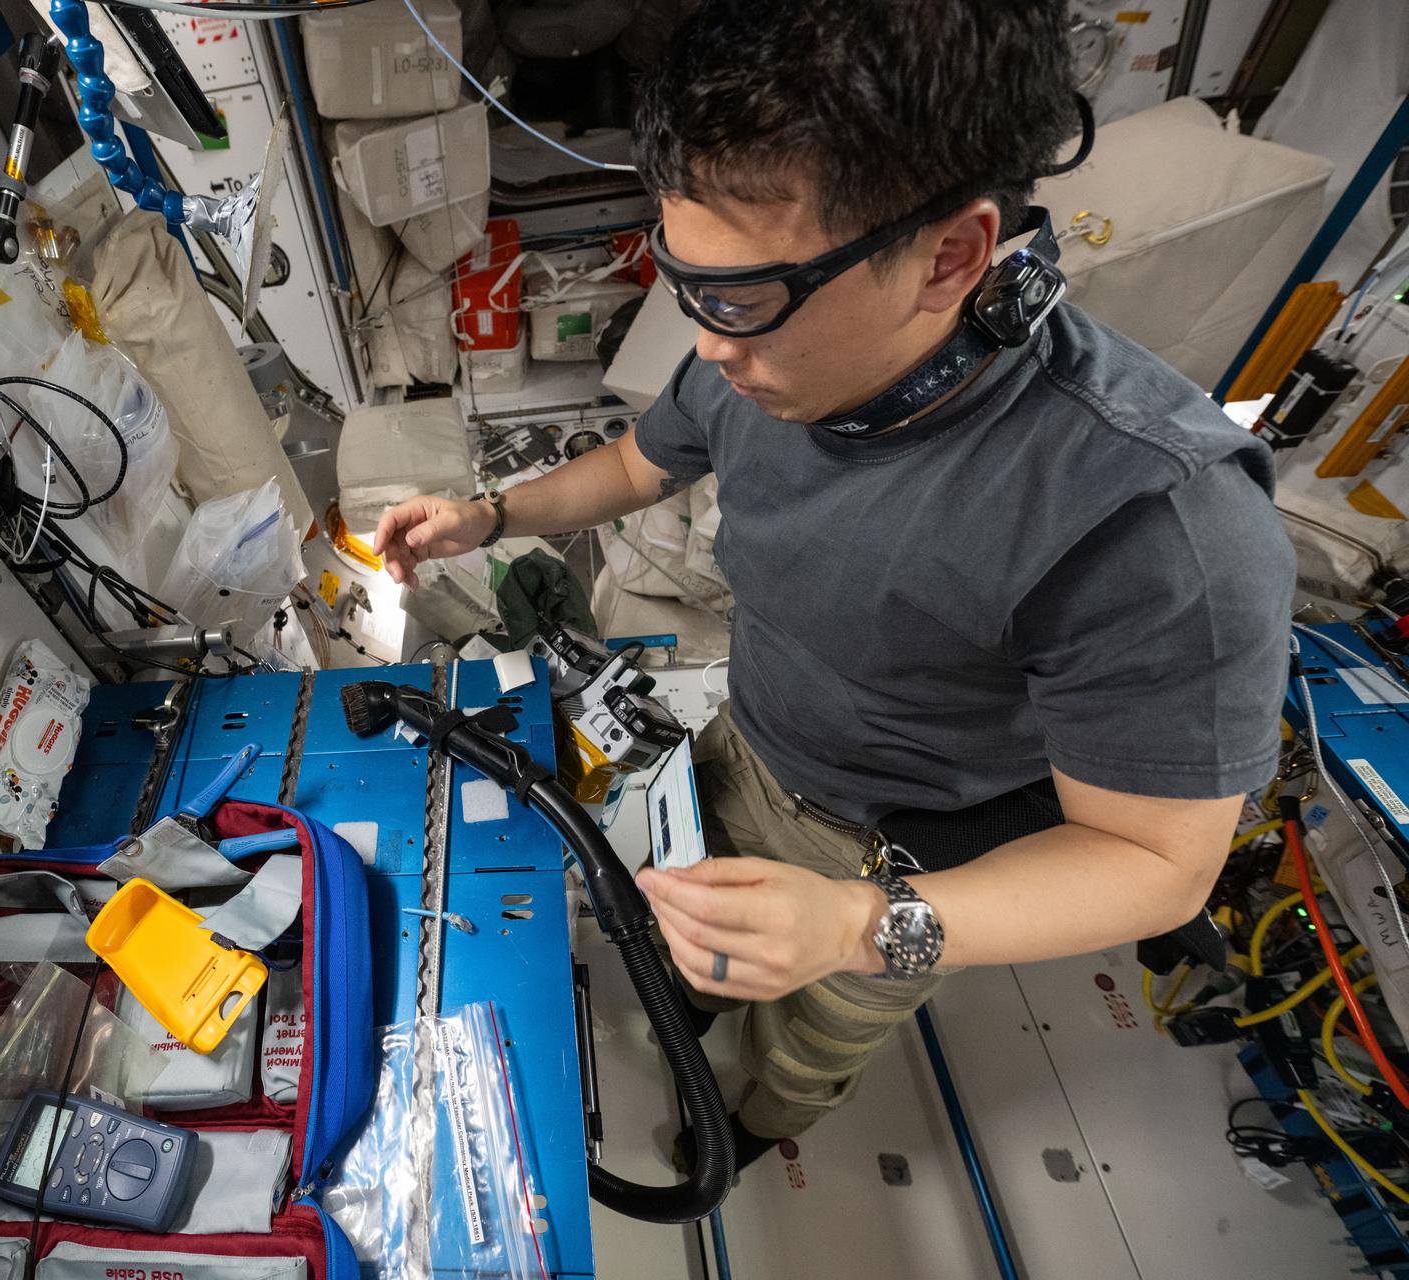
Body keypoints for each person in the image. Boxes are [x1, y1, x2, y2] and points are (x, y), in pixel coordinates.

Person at [372, 0, 1296, 1172]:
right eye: (685, 283)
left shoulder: (1154, 521)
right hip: (749, 750)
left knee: (812, 1035)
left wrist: (862, 926)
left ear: (952, 255)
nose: (706, 344)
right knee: (691, 941)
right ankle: (693, 1002)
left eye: (742, 298)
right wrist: (488, 516)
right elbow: (639, 462)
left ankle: (754, 1132)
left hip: (902, 858)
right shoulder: (767, 364)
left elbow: (1161, 865)